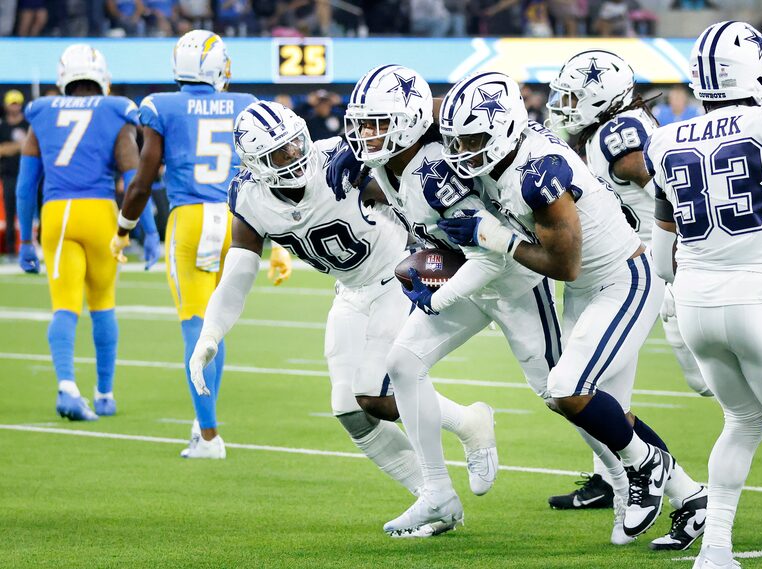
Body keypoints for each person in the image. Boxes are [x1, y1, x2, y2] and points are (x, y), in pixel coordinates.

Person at [189, 100, 493, 537]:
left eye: (296, 143)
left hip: (397, 275)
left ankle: (469, 426)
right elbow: (238, 272)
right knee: (348, 409)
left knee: (372, 391)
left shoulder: (340, 161)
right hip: (350, 291)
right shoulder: (250, 196)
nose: (295, 156)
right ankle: (437, 499)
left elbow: (408, 184)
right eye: (281, 153)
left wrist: (431, 248)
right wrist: (211, 333)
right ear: (256, 164)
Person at [437, 71, 705, 544]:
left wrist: (492, 238)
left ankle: (648, 465)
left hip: (624, 280)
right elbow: (436, 115)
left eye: (474, 139)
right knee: (607, 417)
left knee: (566, 387)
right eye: (458, 140)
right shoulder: (511, 147)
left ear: (502, 129)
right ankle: (693, 500)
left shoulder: (538, 175)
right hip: (590, 292)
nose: (462, 151)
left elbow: (565, 267)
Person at [333, 64, 560, 535]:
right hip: (463, 274)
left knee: (562, 392)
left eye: (379, 123)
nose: (366, 135)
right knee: (402, 364)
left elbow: (492, 258)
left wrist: (436, 299)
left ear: (411, 122)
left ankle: (643, 474)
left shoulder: (436, 172)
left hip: (509, 278)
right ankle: (436, 493)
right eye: (363, 122)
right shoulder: (383, 162)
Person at [647, 21, 762, 569]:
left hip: (697, 304)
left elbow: (661, 259)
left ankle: (717, 550)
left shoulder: (664, 138)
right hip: (759, 298)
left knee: (741, 421)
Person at [544, 49, 710, 551]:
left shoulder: (619, 134)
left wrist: (681, 257)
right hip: (617, 271)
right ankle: (691, 498)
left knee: (718, 391)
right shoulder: (601, 132)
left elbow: (671, 194)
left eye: (575, 97)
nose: (564, 105)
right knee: (605, 407)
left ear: (604, 97)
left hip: (641, 269)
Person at [111, 30, 261, 459]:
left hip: (190, 219)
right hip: (237, 221)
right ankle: (202, 424)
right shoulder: (245, 105)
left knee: (195, 326)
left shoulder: (161, 105)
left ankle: (210, 437)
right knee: (216, 324)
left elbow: (143, 181)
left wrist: (124, 230)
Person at [16, 44, 159, 421]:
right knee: (104, 305)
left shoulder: (42, 111)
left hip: (59, 214)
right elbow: (133, 176)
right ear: (102, 78)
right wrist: (149, 231)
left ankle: (67, 388)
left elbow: (25, 185)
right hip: (101, 216)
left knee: (65, 307)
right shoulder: (115, 111)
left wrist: (22, 239)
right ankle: (105, 393)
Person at [0, 90, 29, 258]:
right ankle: (11, 249)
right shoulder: (3, 127)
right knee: (10, 213)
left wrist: (9, 148)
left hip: (28, 175)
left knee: (29, 210)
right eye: (12, 103)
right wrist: (19, 146)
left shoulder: (27, 125)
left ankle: (33, 245)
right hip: (9, 175)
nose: (15, 107)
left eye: (17, 103)